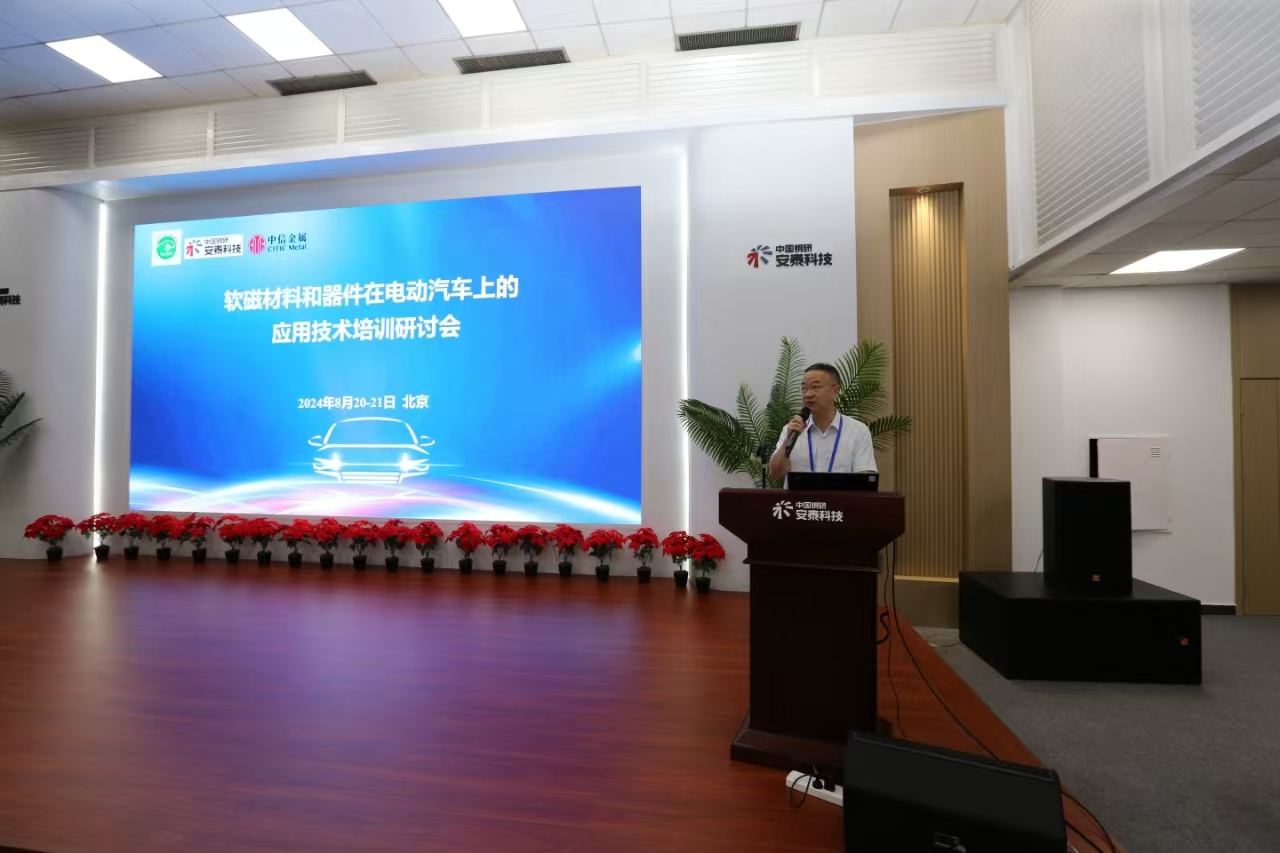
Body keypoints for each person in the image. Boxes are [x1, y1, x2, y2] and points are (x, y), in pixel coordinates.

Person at [768, 362, 877, 484]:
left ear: (835, 390)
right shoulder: (791, 430)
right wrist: (787, 442)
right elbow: (774, 474)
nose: (808, 394)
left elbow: (865, 480)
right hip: (800, 498)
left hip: (839, 497)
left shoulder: (858, 431)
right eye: (804, 388)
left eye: (815, 387)